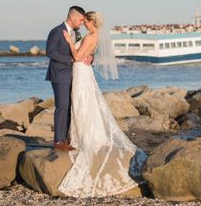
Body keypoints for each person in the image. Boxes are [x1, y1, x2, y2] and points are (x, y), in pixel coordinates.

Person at [57, 11, 147, 197]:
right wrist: (87, 55)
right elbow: (86, 54)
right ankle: (82, 135)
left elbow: (76, 57)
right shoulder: (93, 36)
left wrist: (68, 42)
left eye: (85, 20)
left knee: (82, 103)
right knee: (84, 104)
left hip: (81, 73)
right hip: (82, 72)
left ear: (91, 22)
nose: (82, 23)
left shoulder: (91, 36)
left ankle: (85, 138)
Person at [45, 6, 92, 152]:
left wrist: (90, 57)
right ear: (72, 17)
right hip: (59, 75)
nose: (82, 23)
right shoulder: (56, 31)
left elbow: (82, 50)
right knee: (62, 106)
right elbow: (50, 52)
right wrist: (70, 59)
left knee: (72, 107)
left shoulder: (76, 34)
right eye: (80, 20)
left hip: (76, 75)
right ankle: (59, 141)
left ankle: (67, 138)